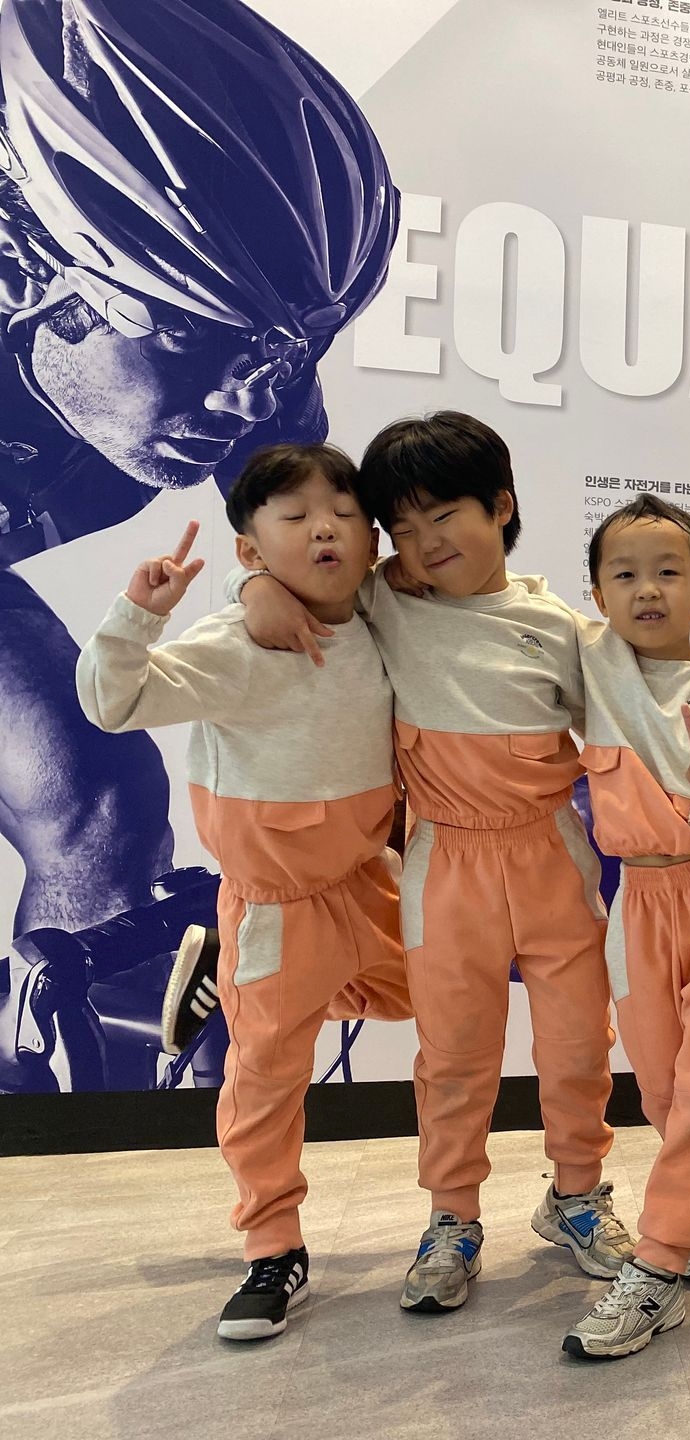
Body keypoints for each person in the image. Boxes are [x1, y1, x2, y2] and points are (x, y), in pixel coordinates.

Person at [0, 0, 396, 952]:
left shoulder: (259, 392)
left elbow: (350, 600)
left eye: (280, 355)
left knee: (103, 813)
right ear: (25, 272)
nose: (243, 399)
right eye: (187, 334)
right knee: (82, 787)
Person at [232, 413, 625, 1313]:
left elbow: (624, 716)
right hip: (444, 859)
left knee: (576, 1042)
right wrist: (250, 588)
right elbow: (294, 574)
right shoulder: (383, 600)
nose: (423, 543)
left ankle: (577, 1195)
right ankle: (452, 1217)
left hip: (551, 855)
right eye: (401, 528)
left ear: (501, 507)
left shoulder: (559, 627)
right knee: (453, 1052)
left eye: (442, 516)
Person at [73, 443, 411, 1341]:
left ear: (373, 539)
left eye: (344, 512)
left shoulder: (383, 617)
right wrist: (140, 615)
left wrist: (253, 581)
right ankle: (272, 1245)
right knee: (267, 1076)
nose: (326, 529)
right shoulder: (237, 642)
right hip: (273, 901)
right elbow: (112, 703)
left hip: (367, 878)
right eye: (296, 517)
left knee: (435, 997)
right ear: (252, 546)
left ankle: (226, 975)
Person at [559, 496, 690, 1361]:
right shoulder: (592, 668)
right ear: (598, 594)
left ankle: (657, 1266)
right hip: (639, 903)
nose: (647, 589)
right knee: (659, 1088)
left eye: (669, 572)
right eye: (626, 574)